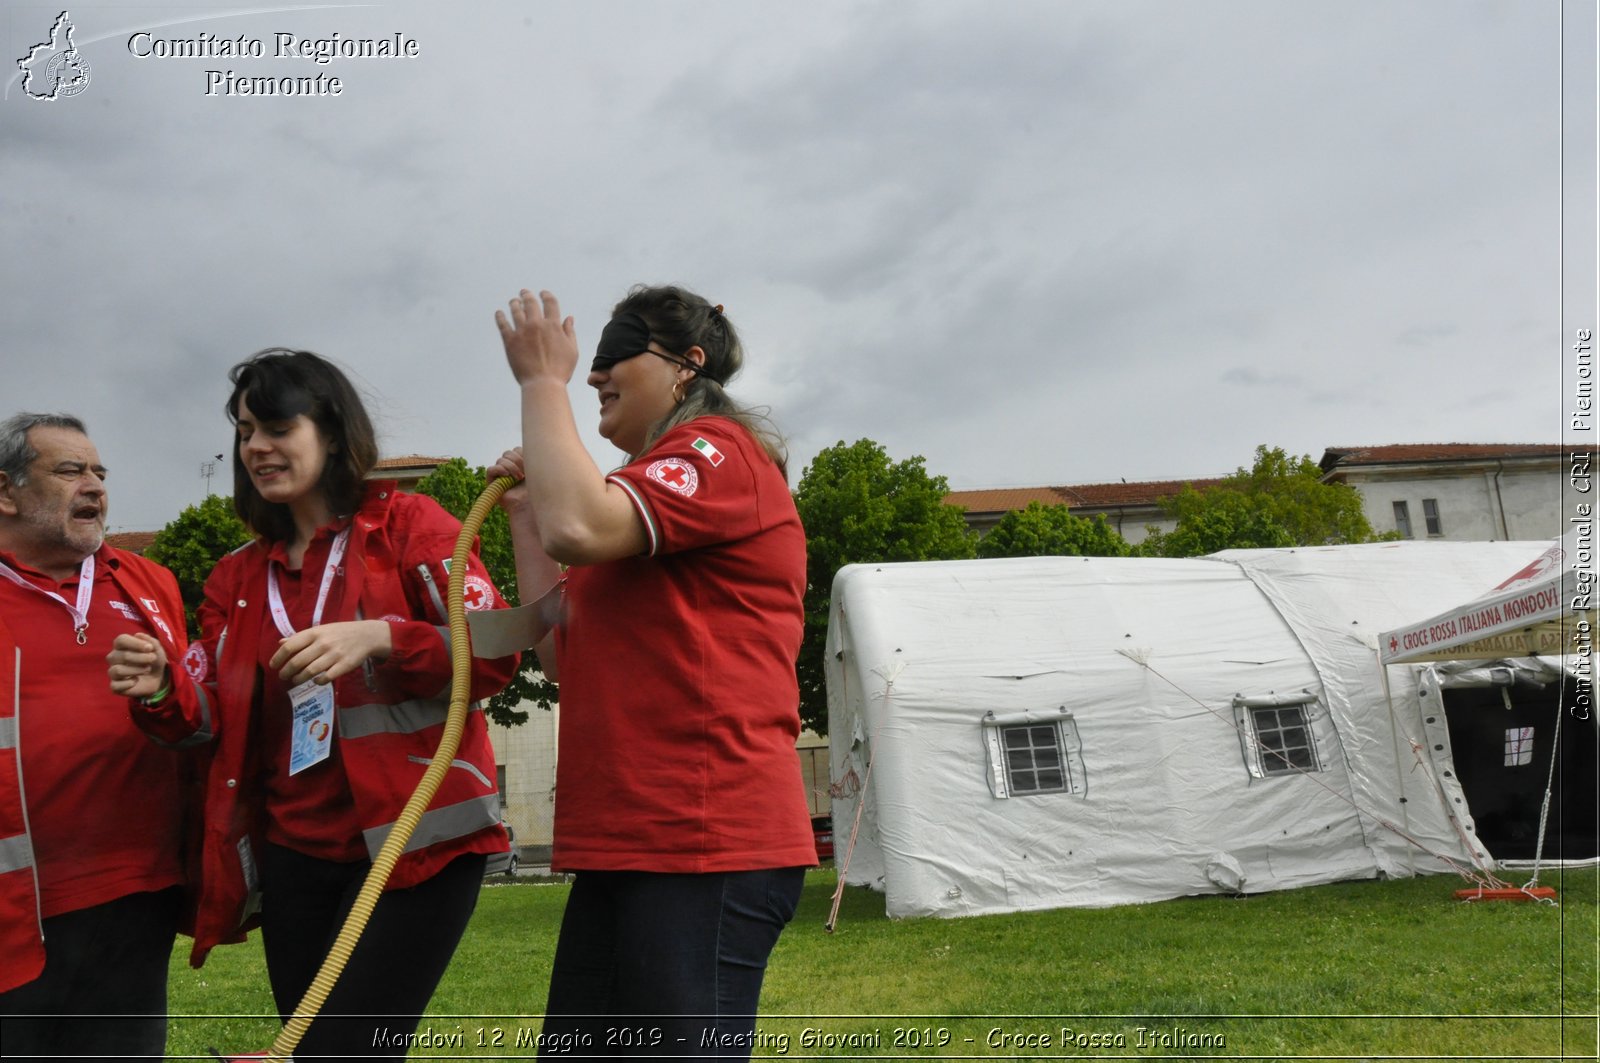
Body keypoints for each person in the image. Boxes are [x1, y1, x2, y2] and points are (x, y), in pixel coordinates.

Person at [106, 349, 519, 1060]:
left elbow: (494, 656)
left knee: (338, 1051)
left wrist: (382, 636)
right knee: (313, 1047)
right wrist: (162, 688)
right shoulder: (236, 575)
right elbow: (211, 713)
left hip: (416, 848)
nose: (256, 447)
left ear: (330, 430)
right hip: (295, 855)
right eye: (243, 432)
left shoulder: (411, 525)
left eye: (275, 425)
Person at [489, 287, 817, 1059]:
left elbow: (580, 523)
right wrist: (527, 518)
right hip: (631, 841)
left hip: (705, 840)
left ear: (684, 366)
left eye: (613, 357)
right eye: (587, 365)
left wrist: (542, 382)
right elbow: (559, 655)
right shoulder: (639, 501)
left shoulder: (717, 451)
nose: (595, 374)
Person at [0, 412, 190, 1060]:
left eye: (101, 472)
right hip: (14, 902)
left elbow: (193, 719)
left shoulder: (149, 583)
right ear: (6, 492)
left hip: (136, 890)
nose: (96, 486)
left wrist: (169, 688)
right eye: (70, 470)